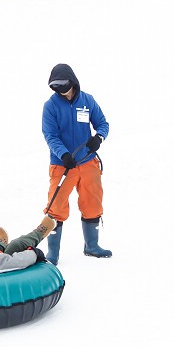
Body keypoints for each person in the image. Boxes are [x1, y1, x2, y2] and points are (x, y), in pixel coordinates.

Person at [42, 63, 111, 262]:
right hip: (63, 164)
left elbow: (103, 124)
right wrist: (63, 155)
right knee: (56, 207)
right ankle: (53, 253)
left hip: (88, 162)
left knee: (92, 202)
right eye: (55, 86)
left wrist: (98, 138)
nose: (60, 90)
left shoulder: (87, 100)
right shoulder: (51, 106)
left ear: (72, 81)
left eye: (63, 85)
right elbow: (50, 135)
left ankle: (92, 246)